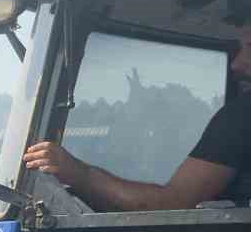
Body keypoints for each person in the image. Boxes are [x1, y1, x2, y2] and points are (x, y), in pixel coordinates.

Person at [22, 30, 251, 212]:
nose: (236, 64)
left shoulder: (242, 114)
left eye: (249, 47)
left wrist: (81, 175)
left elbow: (175, 205)